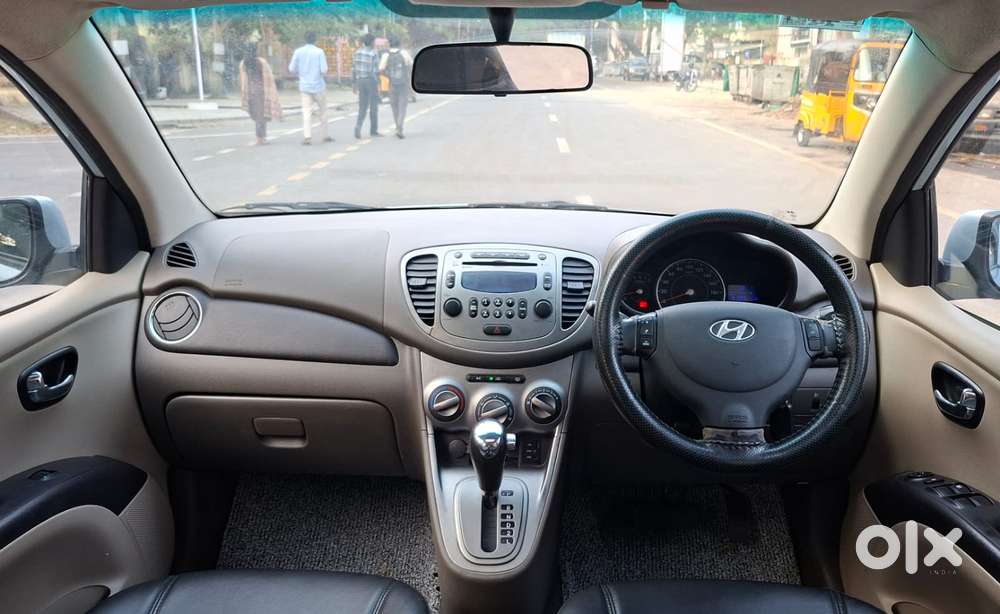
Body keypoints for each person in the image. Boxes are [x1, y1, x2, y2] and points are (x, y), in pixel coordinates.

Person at [288, 32, 332, 145]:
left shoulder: (298, 52)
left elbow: (291, 68)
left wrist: (301, 72)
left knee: (306, 112)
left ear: (305, 39)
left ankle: (307, 137)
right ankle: (325, 135)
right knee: (323, 111)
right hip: (318, 86)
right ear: (315, 39)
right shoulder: (319, 52)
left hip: (304, 86)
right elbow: (324, 70)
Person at [239, 44, 282, 145]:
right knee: (261, 116)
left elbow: (243, 78)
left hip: (250, 91)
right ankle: (260, 139)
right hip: (261, 91)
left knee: (257, 115)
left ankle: (262, 137)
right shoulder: (261, 62)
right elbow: (268, 77)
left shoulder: (244, 63)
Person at [378, 37, 412, 139]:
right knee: (402, 106)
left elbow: (381, 69)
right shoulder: (404, 53)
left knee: (394, 106)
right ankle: (400, 127)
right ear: (399, 44)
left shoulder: (386, 55)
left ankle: (397, 127)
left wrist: (388, 76)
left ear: (389, 45)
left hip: (391, 84)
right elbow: (410, 64)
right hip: (403, 83)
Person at [352, 33, 380, 139]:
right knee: (373, 107)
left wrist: (354, 83)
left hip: (360, 81)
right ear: (372, 42)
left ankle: (358, 126)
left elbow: (353, 69)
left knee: (362, 106)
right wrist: (377, 83)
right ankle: (373, 131)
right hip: (371, 81)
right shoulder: (373, 53)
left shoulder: (357, 52)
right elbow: (375, 71)